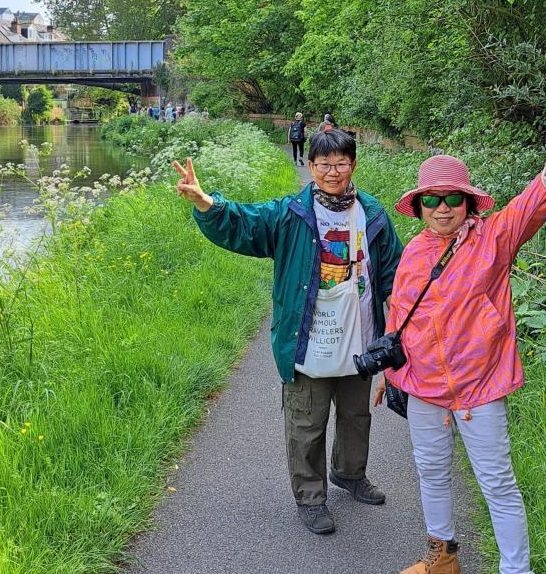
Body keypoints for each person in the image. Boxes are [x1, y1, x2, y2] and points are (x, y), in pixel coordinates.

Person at [375, 111, 546, 574]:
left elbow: (535, 200)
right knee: (432, 475)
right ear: (420, 206)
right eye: (432, 200)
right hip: (423, 389)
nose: (443, 208)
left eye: (453, 199)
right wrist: (388, 373)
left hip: (479, 390)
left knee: (498, 485)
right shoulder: (416, 252)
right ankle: (442, 558)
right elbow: (401, 318)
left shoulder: (494, 239)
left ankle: (514, 570)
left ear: (469, 203)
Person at [173, 129, 404, 535]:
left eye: (341, 163)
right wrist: (206, 203)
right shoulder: (290, 214)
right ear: (311, 166)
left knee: (356, 416)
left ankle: (350, 474)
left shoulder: (373, 212)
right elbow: (246, 223)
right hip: (308, 338)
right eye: (324, 164)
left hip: (359, 337)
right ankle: (310, 497)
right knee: (306, 423)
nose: (333, 171)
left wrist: (400, 331)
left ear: (353, 164)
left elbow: (395, 276)